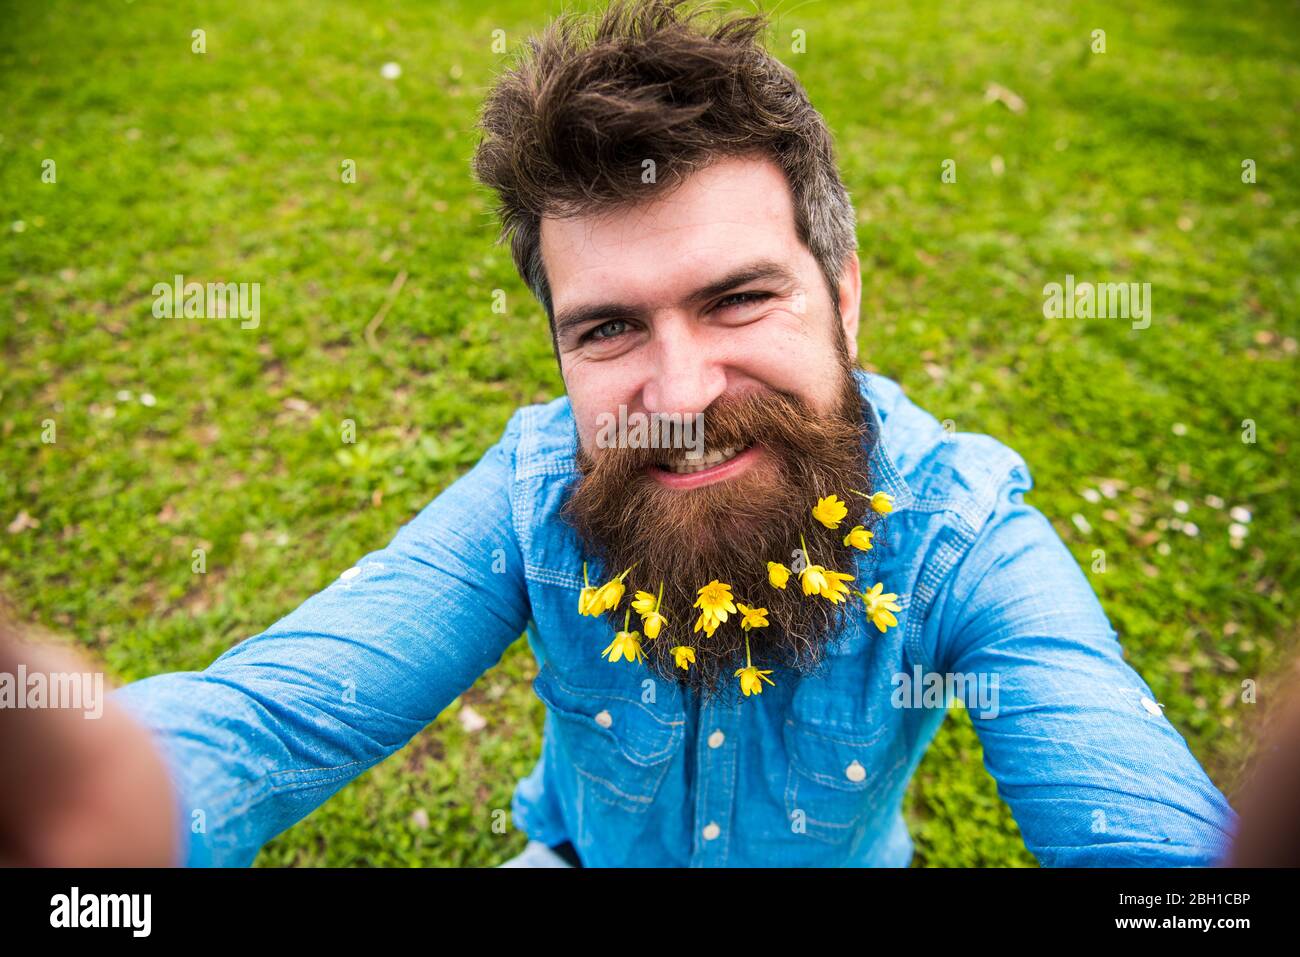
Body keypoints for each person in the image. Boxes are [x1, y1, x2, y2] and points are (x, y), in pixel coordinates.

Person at [6, 0, 1236, 867]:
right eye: (606, 331)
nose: (680, 392)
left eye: (739, 298)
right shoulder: (538, 490)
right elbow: (276, 722)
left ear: (845, 293)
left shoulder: (960, 537)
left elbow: (1130, 819)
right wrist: (96, 815)